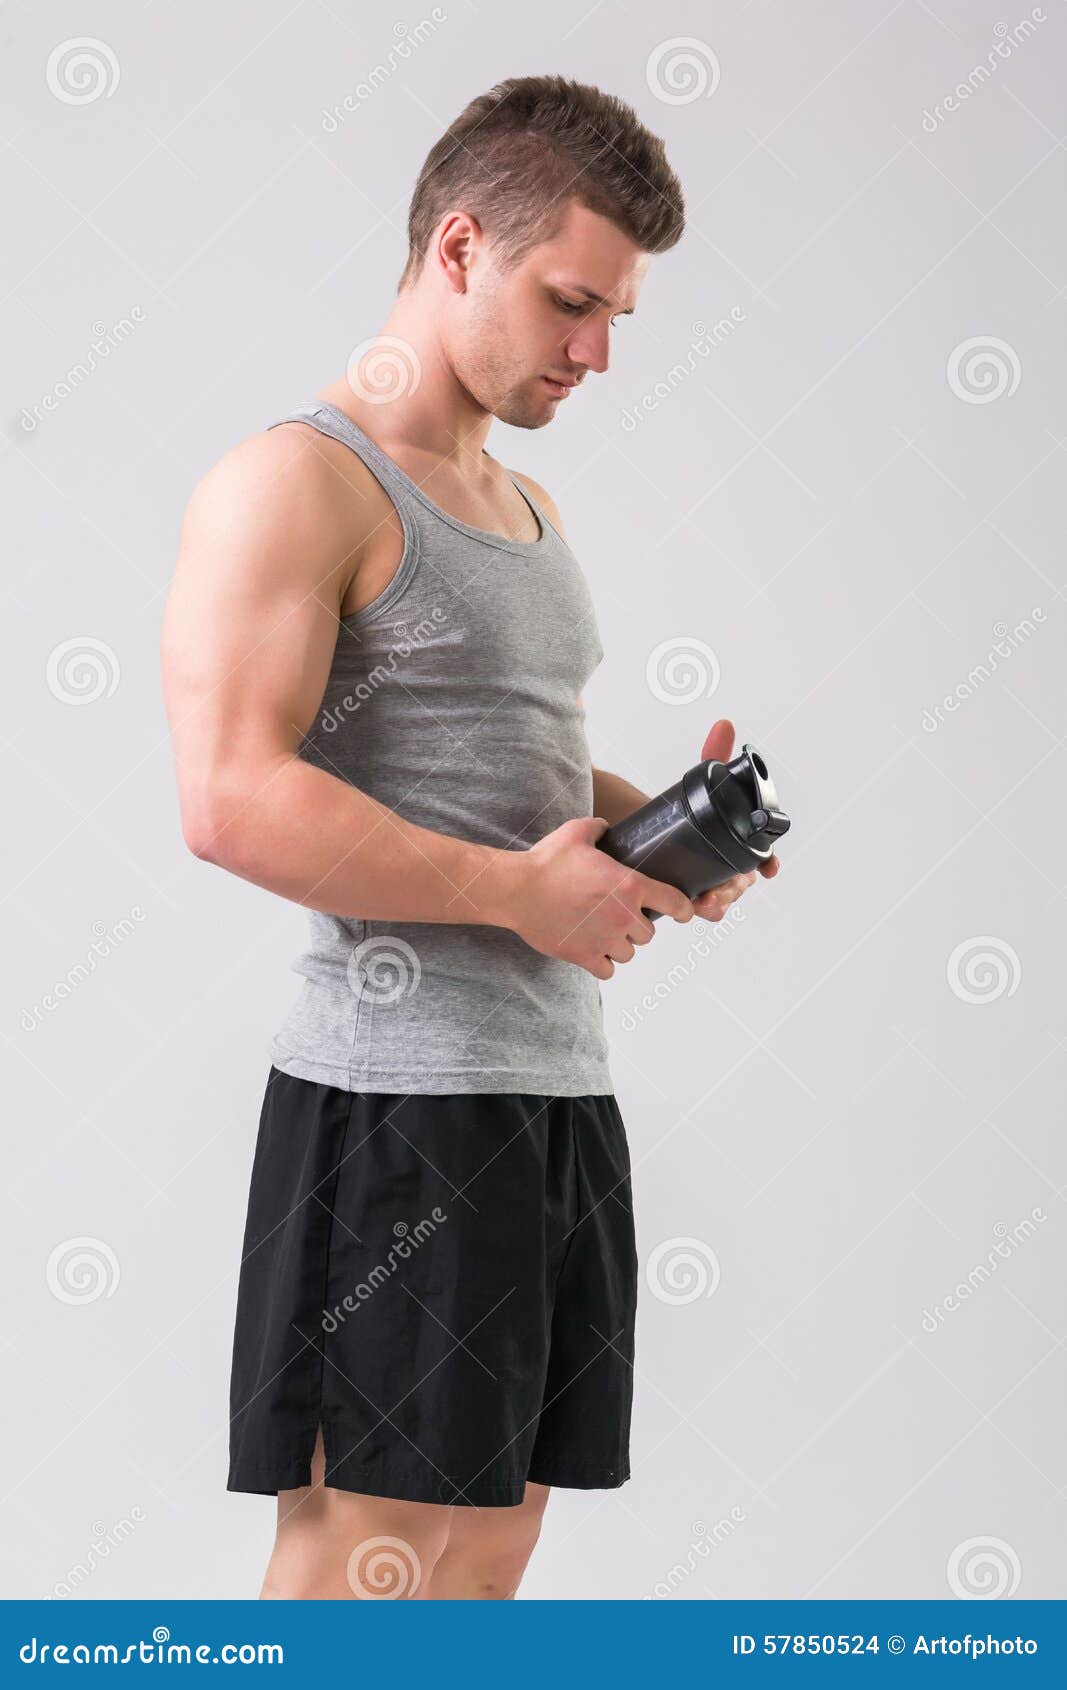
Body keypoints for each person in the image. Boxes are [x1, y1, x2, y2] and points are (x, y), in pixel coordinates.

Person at [160, 73, 778, 1601]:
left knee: (489, 1554)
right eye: (572, 301)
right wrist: (522, 895)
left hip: (553, 1098)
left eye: (617, 313)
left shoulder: (521, 500)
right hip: (397, 1110)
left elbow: (500, 768)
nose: (597, 350)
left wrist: (638, 835)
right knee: (360, 1561)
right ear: (455, 251)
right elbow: (231, 797)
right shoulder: (297, 483)